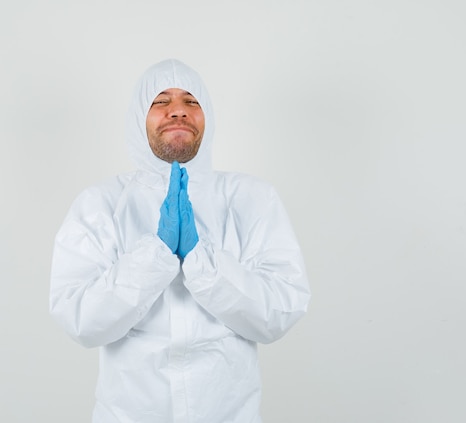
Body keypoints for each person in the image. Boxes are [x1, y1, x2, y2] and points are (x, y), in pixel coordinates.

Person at [49, 58, 311, 423]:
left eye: (192, 101)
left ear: (208, 117)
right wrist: (156, 254)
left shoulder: (251, 199)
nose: (178, 112)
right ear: (139, 118)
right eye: (160, 102)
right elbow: (81, 321)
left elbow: (280, 311)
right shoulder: (100, 205)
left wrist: (201, 260)